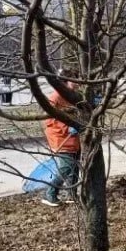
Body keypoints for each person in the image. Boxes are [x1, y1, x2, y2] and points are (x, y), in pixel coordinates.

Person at [42, 75, 81, 207]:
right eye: (74, 80)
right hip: (60, 137)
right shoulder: (55, 97)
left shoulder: (75, 96)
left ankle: (71, 194)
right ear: (65, 81)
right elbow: (49, 120)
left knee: (75, 167)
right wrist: (66, 127)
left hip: (73, 138)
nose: (77, 82)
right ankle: (50, 193)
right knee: (66, 166)